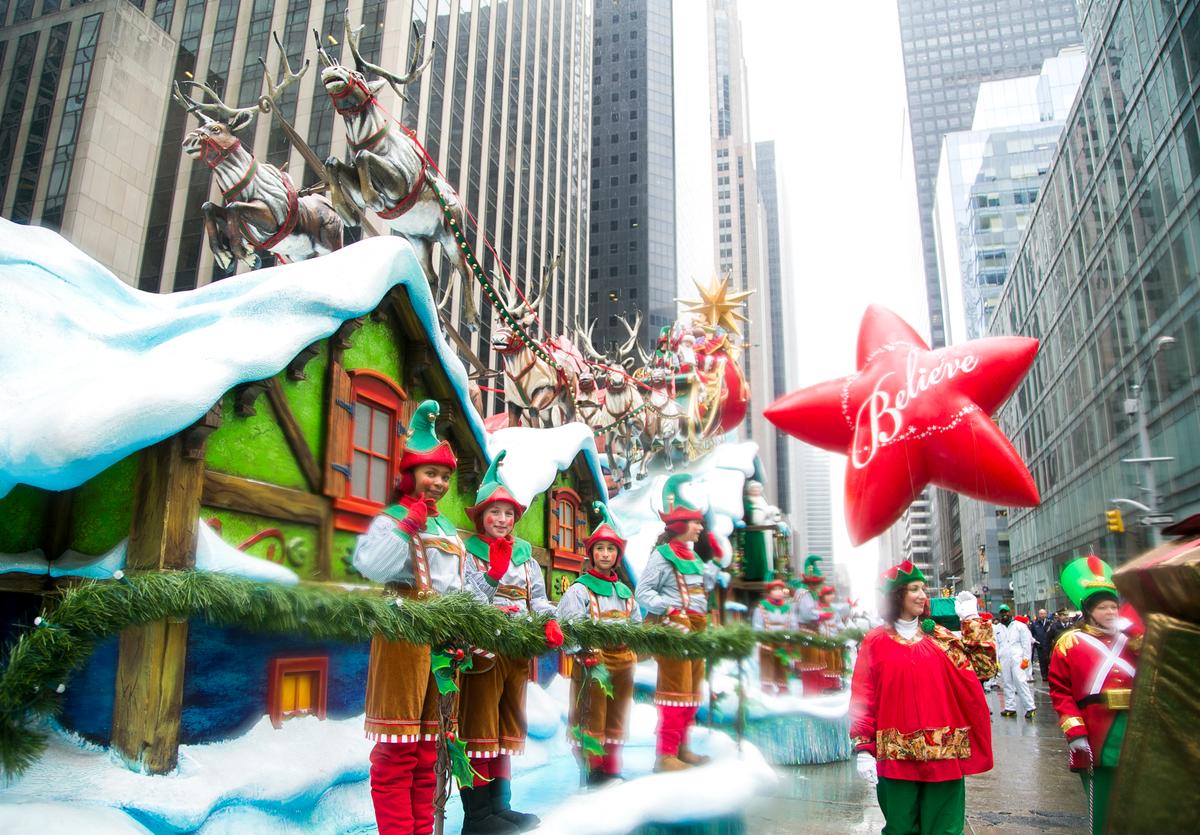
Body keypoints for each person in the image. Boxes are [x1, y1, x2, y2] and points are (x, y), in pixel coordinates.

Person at [353, 401, 474, 835]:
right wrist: (407, 525)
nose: (439, 483)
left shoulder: (447, 529)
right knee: (397, 748)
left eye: (444, 476)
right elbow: (371, 566)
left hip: (443, 644)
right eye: (430, 474)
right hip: (403, 636)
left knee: (429, 748)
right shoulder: (394, 518)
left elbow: (460, 586)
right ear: (411, 474)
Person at [459, 451, 563, 833]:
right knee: (478, 730)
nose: (501, 520)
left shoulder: (527, 558)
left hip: (516, 653)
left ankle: (500, 806)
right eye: (494, 513)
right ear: (481, 518)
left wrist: (549, 622)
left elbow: (539, 598)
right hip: (484, 652)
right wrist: (493, 576)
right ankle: (477, 815)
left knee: (505, 729)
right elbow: (467, 601)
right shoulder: (468, 554)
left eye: (507, 513)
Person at [850, 561, 994, 834]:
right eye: (913, 589)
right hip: (895, 756)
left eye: (923, 589)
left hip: (944, 754)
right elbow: (863, 697)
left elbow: (983, 669)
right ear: (896, 596)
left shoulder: (940, 637)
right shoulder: (875, 641)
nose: (922, 595)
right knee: (900, 829)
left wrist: (972, 621)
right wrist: (864, 749)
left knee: (945, 829)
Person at [634, 474, 720, 771]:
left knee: (692, 690)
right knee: (674, 691)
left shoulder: (694, 557)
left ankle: (683, 747)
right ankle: (665, 754)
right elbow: (643, 592)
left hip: (696, 630)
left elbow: (700, 593)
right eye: (696, 522)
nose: (700, 527)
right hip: (675, 629)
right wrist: (669, 609)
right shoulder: (662, 555)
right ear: (680, 525)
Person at [1048, 556, 1139, 835]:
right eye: (1103, 607)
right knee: (1103, 808)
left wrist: (1139, 636)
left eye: (1114, 606)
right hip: (1096, 731)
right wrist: (1075, 732)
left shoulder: (1132, 640)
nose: (1110, 611)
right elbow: (1060, 691)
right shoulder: (1069, 642)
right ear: (1088, 610)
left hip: (1136, 728)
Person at [557, 502, 642, 785]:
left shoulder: (625, 591)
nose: (605, 554)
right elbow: (568, 628)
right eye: (600, 549)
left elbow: (637, 626)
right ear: (591, 553)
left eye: (611, 549)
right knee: (592, 719)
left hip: (623, 665)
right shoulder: (579, 589)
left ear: (618, 554)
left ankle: (612, 769)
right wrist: (581, 650)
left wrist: (633, 649)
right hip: (594, 665)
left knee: (617, 717)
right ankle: (593, 773)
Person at [751, 579, 798, 694]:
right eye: (774, 589)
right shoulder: (761, 607)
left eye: (780, 589)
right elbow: (757, 626)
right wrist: (761, 637)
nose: (778, 592)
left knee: (782, 665)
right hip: (767, 642)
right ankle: (767, 689)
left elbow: (793, 626)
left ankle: (783, 689)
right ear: (769, 592)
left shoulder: (788, 608)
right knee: (767, 664)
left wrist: (792, 639)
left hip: (783, 642)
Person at [996, 604, 1036, 719]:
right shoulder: (998, 628)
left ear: (1010, 612)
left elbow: (1026, 643)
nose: (1004, 614)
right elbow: (997, 645)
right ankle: (1010, 707)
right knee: (1007, 682)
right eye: (1002, 612)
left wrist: (1026, 659)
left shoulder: (1020, 626)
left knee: (1020, 682)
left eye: (1006, 612)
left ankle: (1030, 707)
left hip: (1017, 658)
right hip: (1004, 658)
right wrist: (997, 660)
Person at [1030, 608, 1053, 680]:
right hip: (1040, 646)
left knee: (1050, 661)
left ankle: (1050, 675)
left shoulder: (1050, 623)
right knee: (1042, 661)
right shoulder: (1035, 623)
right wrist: (1036, 642)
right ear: (1039, 614)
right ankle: (1044, 676)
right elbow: (1032, 634)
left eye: (1044, 614)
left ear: (1046, 614)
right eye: (1041, 614)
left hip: (1048, 645)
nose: (1042, 615)